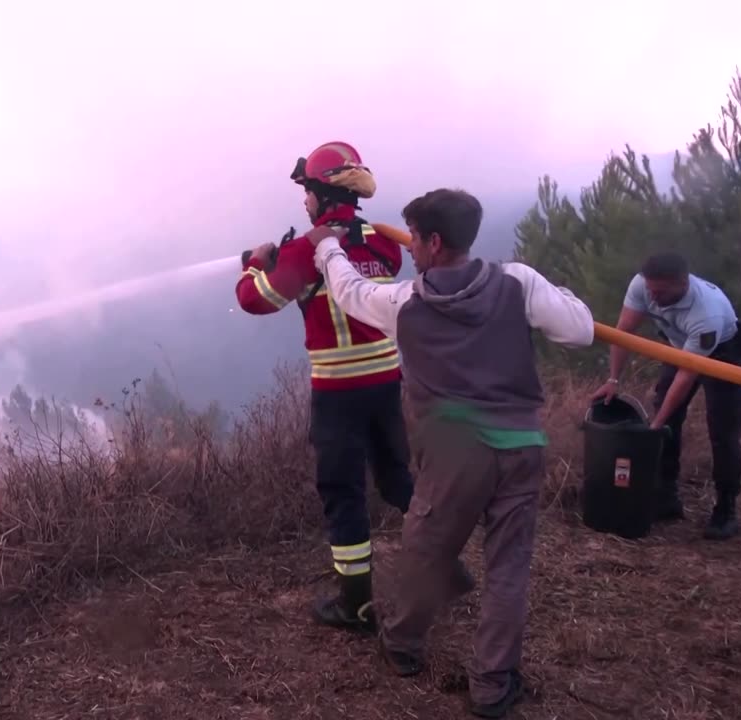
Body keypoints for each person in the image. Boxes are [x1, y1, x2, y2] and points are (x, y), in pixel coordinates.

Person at [307, 187, 594, 718]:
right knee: (509, 570)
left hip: (454, 451)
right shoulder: (518, 282)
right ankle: (491, 686)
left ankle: (400, 646)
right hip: (522, 447)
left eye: (414, 237)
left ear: (435, 242)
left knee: (425, 551)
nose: (409, 247)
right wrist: (556, 292)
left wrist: (326, 247)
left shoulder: (406, 302)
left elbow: (348, 292)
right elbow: (579, 330)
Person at [236, 141, 471, 633]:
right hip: (386, 382)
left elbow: (254, 301)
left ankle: (357, 605)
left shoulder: (307, 250)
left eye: (306, 192)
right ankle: (447, 567)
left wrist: (257, 263)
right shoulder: (382, 242)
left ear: (322, 192)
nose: (303, 202)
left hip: (338, 391)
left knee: (343, 494)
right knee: (398, 480)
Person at [589, 252, 741, 540]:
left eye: (660, 292)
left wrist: (655, 426)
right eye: (650, 290)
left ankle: (726, 508)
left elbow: (686, 376)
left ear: (682, 284)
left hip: (723, 352)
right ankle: (666, 496)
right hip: (680, 346)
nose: (652, 297)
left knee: (723, 431)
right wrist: (613, 380)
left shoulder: (706, 314)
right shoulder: (643, 284)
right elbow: (623, 331)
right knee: (667, 418)